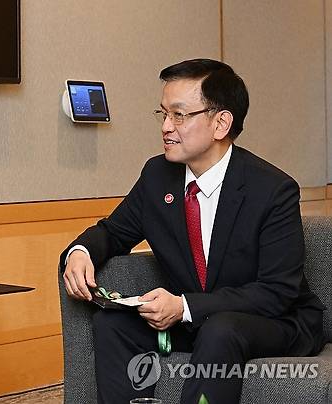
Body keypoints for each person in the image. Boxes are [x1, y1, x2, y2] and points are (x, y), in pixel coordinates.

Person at [61, 59, 325, 403]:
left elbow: (276, 293)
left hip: (275, 322)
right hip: (198, 320)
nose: (167, 127)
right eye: (163, 114)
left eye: (180, 115)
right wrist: (80, 252)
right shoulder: (157, 176)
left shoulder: (272, 190)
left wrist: (184, 307)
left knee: (221, 329)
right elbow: (113, 232)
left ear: (221, 123)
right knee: (112, 325)